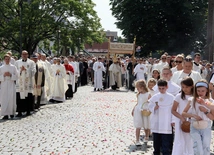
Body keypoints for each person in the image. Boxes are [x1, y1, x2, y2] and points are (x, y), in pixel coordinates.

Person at [182, 80, 214, 155]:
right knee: (197, 147)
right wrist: (193, 115)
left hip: (206, 126)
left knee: (206, 147)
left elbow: (212, 118)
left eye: (203, 91)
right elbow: (184, 113)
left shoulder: (210, 101)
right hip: (194, 126)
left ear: (207, 90)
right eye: (198, 91)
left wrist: (205, 111)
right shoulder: (192, 100)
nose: (200, 93)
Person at [148, 79, 174, 155]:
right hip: (157, 121)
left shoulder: (171, 97)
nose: (161, 90)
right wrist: (153, 108)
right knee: (156, 143)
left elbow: (174, 110)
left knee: (166, 144)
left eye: (163, 88)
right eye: (159, 88)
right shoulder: (155, 96)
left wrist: (173, 120)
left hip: (166, 122)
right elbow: (149, 105)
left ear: (167, 87)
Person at [171, 77, 194, 155]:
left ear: (192, 86)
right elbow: (173, 110)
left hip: (192, 120)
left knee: (191, 140)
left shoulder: (195, 97)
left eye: (187, 87)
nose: (184, 89)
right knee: (180, 139)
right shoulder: (179, 96)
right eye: (183, 87)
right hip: (181, 120)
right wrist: (181, 117)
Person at [15, 50, 36, 117]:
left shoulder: (31, 62)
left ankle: (28, 110)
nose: (24, 55)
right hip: (20, 83)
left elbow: (33, 71)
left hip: (28, 82)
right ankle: (19, 111)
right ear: (21, 55)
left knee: (28, 96)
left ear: (28, 55)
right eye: (23, 54)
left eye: (25, 54)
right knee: (19, 97)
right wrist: (21, 70)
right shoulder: (17, 62)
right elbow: (15, 72)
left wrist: (26, 70)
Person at [131, 79, 151, 145]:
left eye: (138, 88)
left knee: (146, 125)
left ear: (142, 87)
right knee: (138, 125)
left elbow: (150, 102)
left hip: (145, 109)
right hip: (138, 109)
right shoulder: (139, 95)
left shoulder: (148, 94)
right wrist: (133, 109)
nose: (137, 90)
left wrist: (149, 106)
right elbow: (138, 103)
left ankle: (146, 137)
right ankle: (137, 140)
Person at [0, 54, 18, 119]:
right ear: (4, 60)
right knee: (4, 98)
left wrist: (11, 75)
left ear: (10, 59)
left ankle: (11, 113)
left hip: (11, 83)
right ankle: (5, 114)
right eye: (6, 59)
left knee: (11, 98)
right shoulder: (1, 68)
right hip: (4, 84)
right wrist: (3, 75)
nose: (7, 60)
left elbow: (17, 76)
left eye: (8, 59)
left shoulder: (13, 67)